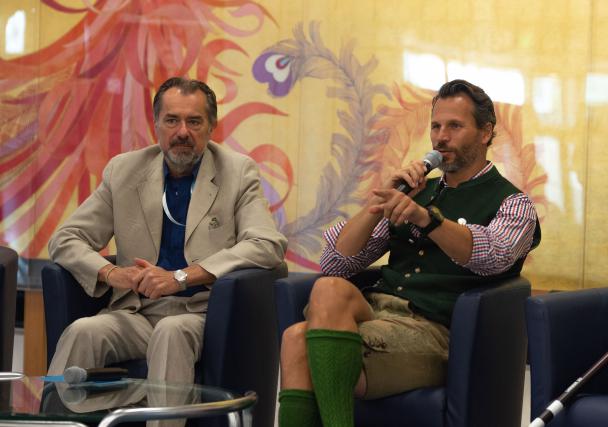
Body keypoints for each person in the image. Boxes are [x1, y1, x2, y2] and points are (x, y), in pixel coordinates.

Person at [278, 79, 541, 427]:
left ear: (485, 132)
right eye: (436, 126)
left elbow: (492, 256)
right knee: (321, 297)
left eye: (455, 126)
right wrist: (381, 200)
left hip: (434, 332)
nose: (440, 137)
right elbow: (335, 263)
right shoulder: (417, 192)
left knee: (300, 340)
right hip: (378, 313)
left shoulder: (513, 202)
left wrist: (426, 219)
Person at [47, 77, 287, 384]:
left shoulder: (238, 172)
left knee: (171, 332)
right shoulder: (124, 171)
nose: (182, 132)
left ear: (211, 126)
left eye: (194, 121)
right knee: (83, 331)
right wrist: (111, 273)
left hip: (200, 314)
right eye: (172, 120)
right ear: (156, 124)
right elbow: (66, 239)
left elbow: (267, 244)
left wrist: (181, 277)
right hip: (136, 313)